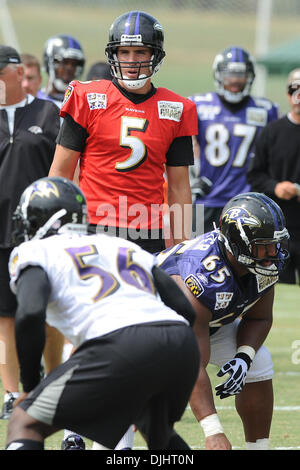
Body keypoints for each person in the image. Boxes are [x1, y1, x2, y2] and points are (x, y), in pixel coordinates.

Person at [5, 176, 200, 451]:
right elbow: (184, 309)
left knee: (24, 421)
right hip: (180, 342)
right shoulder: (121, 244)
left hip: (117, 343)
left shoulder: (35, 251)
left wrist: (31, 386)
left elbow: (29, 314)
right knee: (156, 430)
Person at [48, 10, 198, 254]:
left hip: (147, 231)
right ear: (113, 54)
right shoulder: (87, 97)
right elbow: (60, 173)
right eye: (124, 52)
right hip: (93, 226)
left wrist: (182, 248)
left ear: (155, 55)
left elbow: (179, 186)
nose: (131, 60)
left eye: (140, 51)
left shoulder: (176, 109)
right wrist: (56, 228)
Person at [156, 192, 290, 450]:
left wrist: (244, 357)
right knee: (136, 387)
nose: (273, 252)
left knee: (258, 361)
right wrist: (213, 432)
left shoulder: (258, 263)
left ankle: (258, 448)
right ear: (239, 243)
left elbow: (259, 317)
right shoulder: (200, 276)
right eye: (264, 245)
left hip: (201, 323)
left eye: (276, 243)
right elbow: (192, 362)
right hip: (145, 326)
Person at [0, 44, 61, 420]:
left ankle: (53, 382)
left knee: (49, 313)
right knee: (4, 317)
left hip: (43, 233)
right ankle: (12, 393)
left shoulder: (47, 111)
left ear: (15, 72)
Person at [188, 46, 279, 235]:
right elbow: (176, 146)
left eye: (241, 75)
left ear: (250, 76)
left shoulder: (266, 109)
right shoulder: (198, 104)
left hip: (248, 201)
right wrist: (191, 179)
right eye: (229, 74)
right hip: (207, 198)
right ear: (218, 75)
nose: (235, 80)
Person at [247, 68, 300, 285]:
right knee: (277, 288)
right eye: (294, 89)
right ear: (288, 94)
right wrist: (276, 186)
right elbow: (255, 175)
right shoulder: (271, 132)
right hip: (280, 228)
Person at [42, 34, 85, 107]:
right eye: (65, 62)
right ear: (50, 63)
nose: (69, 68)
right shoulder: (36, 100)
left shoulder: (81, 104)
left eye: (74, 64)